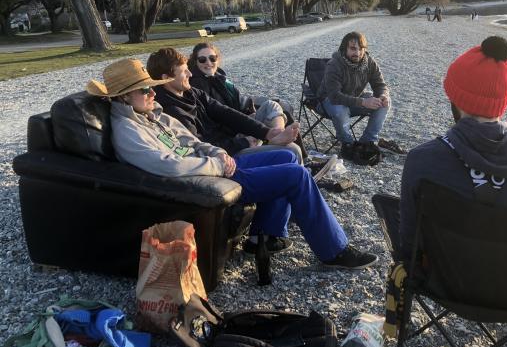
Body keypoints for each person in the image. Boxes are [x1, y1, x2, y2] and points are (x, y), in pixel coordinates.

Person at [86, 58, 378, 270]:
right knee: (297, 175)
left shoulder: (155, 114)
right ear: (124, 97)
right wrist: (216, 165)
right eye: (145, 90)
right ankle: (334, 251)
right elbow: (169, 166)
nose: (153, 93)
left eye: (152, 88)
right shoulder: (128, 131)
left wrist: (218, 153)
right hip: (202, 181)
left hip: (212, 167)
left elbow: (191, 140)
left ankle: (266, 235)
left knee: (287, 154)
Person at [398, 36, 507, 341]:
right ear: (503, 100)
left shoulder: (422, 162)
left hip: (443, 287)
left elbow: (408, 245)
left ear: (456, 100)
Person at [146, 48, 302, 160]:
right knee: (291, 150)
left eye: (188, 69)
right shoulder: (171, 111)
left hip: (232, 142)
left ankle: (279, 142)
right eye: (183, 72)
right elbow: (198, 146)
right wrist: (243, 142)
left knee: (285, 139)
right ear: (166, 78)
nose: (190, 74)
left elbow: (225, 112)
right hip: (225, 155)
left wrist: (267, 133)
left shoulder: (191, 92)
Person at [318, 31, 390, 163]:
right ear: (344, 48)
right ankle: (347, 144)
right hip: (327, 103)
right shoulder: (334, 65)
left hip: (354, 100)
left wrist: (383, 96)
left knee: (384, 103)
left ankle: (367, 141)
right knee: (339, 109)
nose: (357, 53)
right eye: (352, 48)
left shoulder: (369, 63)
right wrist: (363, 102)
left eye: (361, 48)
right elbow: (334, 96)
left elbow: (380, 85)